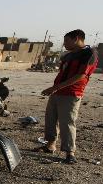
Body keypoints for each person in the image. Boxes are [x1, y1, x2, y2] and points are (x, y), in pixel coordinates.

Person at [39, 29, 99, 164]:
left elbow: (81, 75)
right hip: (57, 92)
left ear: (77, 38)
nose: (64, 43)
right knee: (51, 119)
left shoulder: (89, 54)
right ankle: (50, 145)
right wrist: (55, 89)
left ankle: (69, 152)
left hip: (72, 93)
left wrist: (55, 88)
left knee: (67, 122)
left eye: (67, 40)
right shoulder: (68, 55)